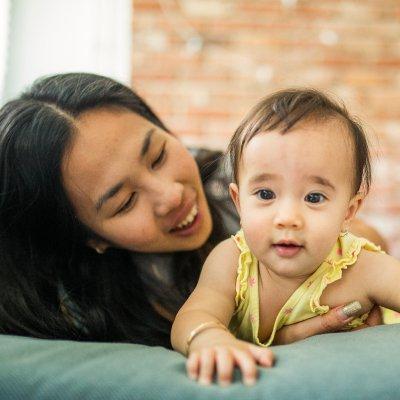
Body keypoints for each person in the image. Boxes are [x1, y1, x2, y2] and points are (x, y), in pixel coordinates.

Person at [0, 74, 384, 349]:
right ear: (92, 237)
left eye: (158, 155)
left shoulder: (221, 174)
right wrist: (275, 338)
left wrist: (344, 267)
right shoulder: (79, 312)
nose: (172, 195)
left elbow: (366, 241)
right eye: (125, 202)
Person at [171, 88, 400, 386]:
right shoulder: (232, 261)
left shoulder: (360, 268)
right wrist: (208, 337)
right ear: (239, 202)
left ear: (349, 210)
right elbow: (193, 315)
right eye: (266, 194)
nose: (288, 218)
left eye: (314, 197)